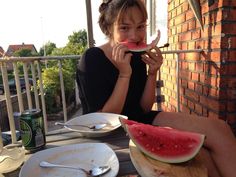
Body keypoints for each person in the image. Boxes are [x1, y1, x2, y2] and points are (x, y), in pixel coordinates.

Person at [76, 0, 236, 177]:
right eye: (124, 28)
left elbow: (144, 108)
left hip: (142, 119)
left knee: (221, 129)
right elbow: (105, 121)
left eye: (140, 26)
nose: (135, 35)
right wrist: (124, 75)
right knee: (202, 156)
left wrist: (153, 73)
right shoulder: (91, 59)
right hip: (109, 131)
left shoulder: (136, 55)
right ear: (109, 28)